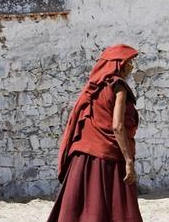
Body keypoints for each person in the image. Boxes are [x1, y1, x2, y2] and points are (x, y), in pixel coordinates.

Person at [46, 44, 143, 222]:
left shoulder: (92, 89)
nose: (132, 67)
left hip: (82, 157)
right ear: (119, 64)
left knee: (82, 208)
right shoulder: (118, 86)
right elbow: (117, 126)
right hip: (109, 157)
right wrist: (128, 160)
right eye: (130, 62)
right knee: (118, 211)